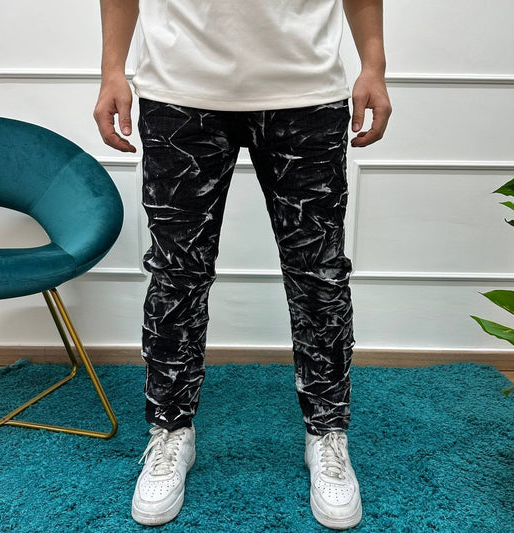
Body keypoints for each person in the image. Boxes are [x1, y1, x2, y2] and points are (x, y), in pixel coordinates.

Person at [94, 0, 391, 529]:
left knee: (319, 277)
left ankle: (327, 433)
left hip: (305, 92)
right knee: (177, 277)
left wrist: (374, 65)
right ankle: (171, 432)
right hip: (179, 92)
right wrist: (111, 69)